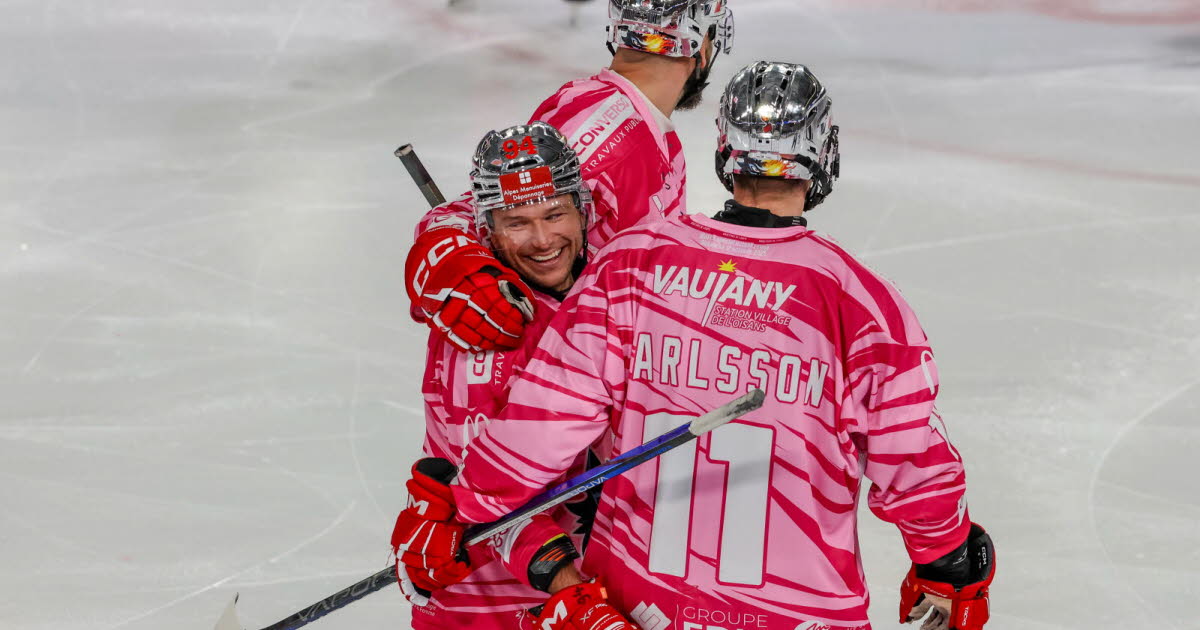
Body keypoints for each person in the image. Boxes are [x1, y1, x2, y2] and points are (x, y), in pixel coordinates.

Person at [400, 62, 996, 630]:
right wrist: (946, 558)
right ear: (825, 154)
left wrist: (465, 501)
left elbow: (528, 444)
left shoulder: (631, 266)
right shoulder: (862, 303)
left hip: (641, 606)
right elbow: (916, 468)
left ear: (722, 150)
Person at [391, 121, 638, 630]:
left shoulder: (602, 279)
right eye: (517, 223)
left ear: (582, 210)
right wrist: (575, 598)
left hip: (588, 573)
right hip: (497, 605)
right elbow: (488, 501)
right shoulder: (481, 333)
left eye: (555, 214)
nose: (544, 240)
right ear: (487, 230)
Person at [404, 0, 735, 355]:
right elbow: (486, 213)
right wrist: (454, 266)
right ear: (702, 44)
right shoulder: (610, 133)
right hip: (542, 393)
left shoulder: (635, 121)